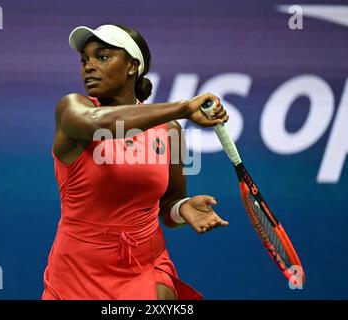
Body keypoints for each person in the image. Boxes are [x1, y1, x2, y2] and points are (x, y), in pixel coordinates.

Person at [42, 24, 229, 300]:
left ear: (132, 66)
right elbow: (100, 122)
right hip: (76, 271)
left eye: (102, 57)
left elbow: (168, 207)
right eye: (85, 60)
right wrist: (182, 107)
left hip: (146, 267)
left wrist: (183, 208)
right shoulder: (72, 109)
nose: (89, 66)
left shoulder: (170, 131)